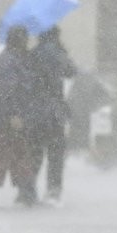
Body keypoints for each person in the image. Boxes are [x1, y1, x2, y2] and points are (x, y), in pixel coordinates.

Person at [0, 25, 39, 207]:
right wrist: (15, 114)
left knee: (16, 154)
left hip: (9, 117)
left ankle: (26, 192)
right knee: (6, 156)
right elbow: (7, 91)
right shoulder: (9, 61)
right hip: (9, 119)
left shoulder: (13, 59)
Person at [28, 25, 77, 205]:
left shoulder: (32, 54)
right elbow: (72, 71)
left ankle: (29, 189)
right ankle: (53, 191)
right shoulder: (59, 53)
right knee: (56, 154)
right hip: (55, 112)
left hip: (34, 112)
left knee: (35, 152)